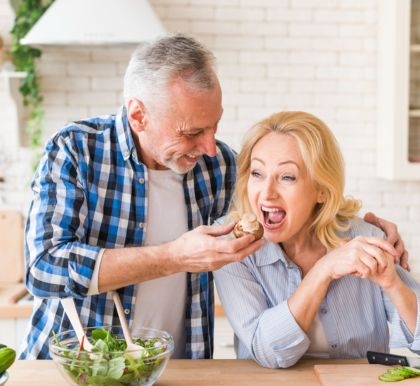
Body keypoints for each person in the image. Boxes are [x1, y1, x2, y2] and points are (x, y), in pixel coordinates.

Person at [19, 34, 406, 360]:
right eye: (191, 132)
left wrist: (368, 235)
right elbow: (42, 269)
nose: (208, 146)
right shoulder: (76, 151)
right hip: (78, 368)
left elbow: (289, 202)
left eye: (214, 126)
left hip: (179, 372)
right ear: (139, 116)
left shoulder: (217, 165)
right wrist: (173, 257)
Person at [214, 111, 420, 368]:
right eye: (257, 173)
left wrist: (393, 285)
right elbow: (267, 351)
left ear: (321, 190)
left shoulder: (365, 237)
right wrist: (323, 271)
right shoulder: (232, 245)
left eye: (287, 177)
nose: (267, 193)